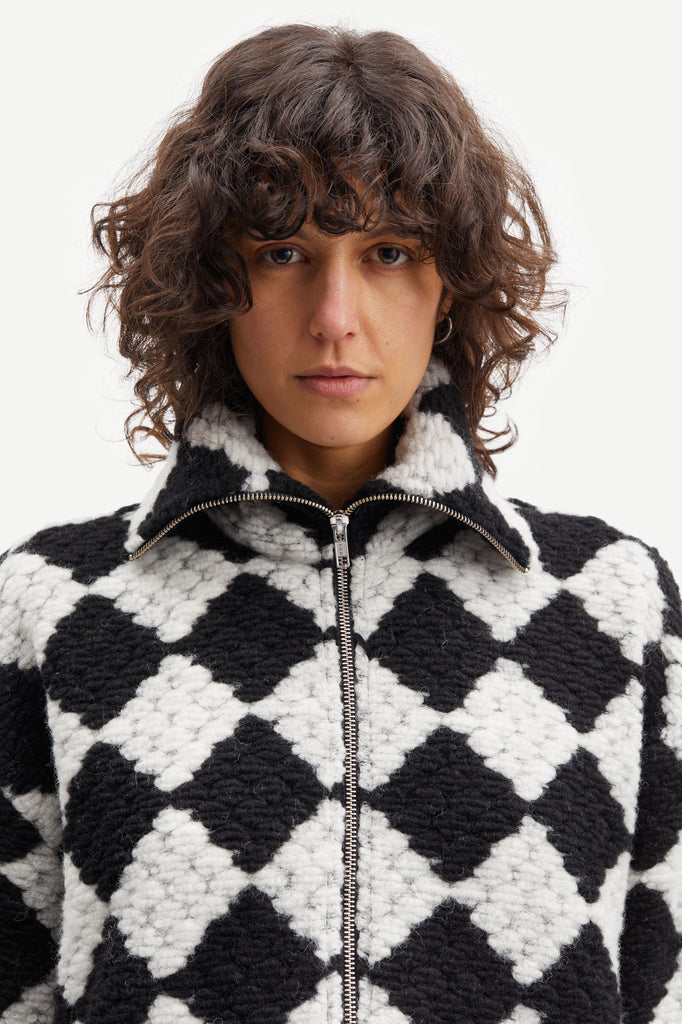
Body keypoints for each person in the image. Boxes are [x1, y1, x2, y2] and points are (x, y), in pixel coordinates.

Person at [1, 22, 680, 1024]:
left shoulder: (609, 604)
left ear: (451, 284)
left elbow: (657, 985)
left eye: (389, 253)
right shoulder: (58, 606)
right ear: (210, 283)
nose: (334, 316)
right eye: (282, 252)